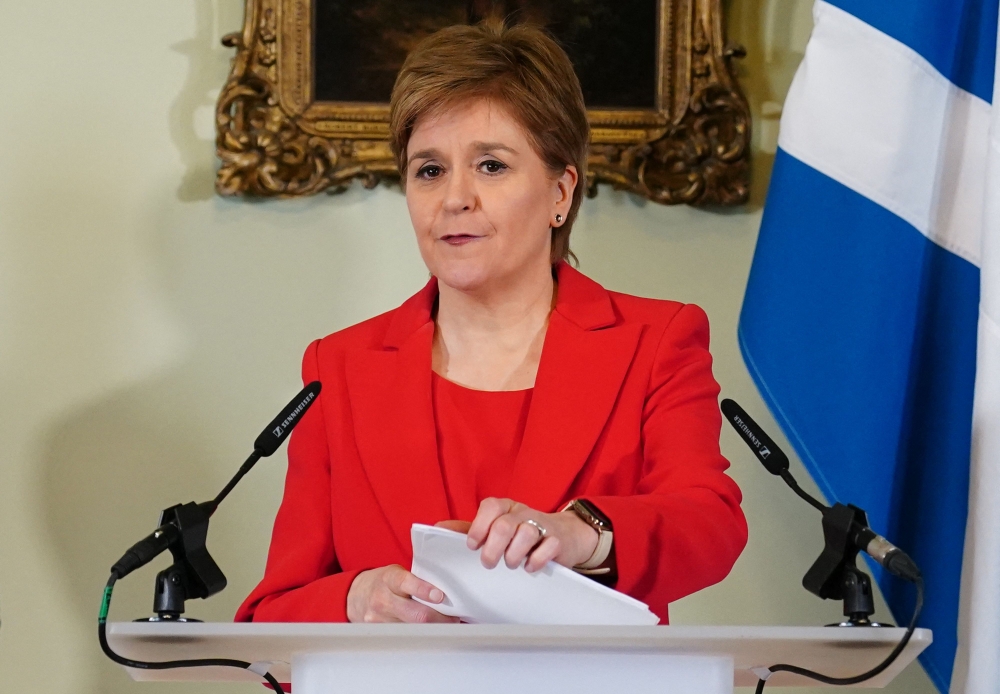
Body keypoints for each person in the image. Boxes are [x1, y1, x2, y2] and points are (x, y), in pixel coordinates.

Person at [235, 18, 747, 626]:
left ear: (561, 193)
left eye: (491, 165)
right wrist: (354, 600)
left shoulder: (655, 342)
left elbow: (710, 523)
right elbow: (273, 614)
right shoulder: (338, 368)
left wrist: (583, 534)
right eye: (429, 170)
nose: (455, 198)